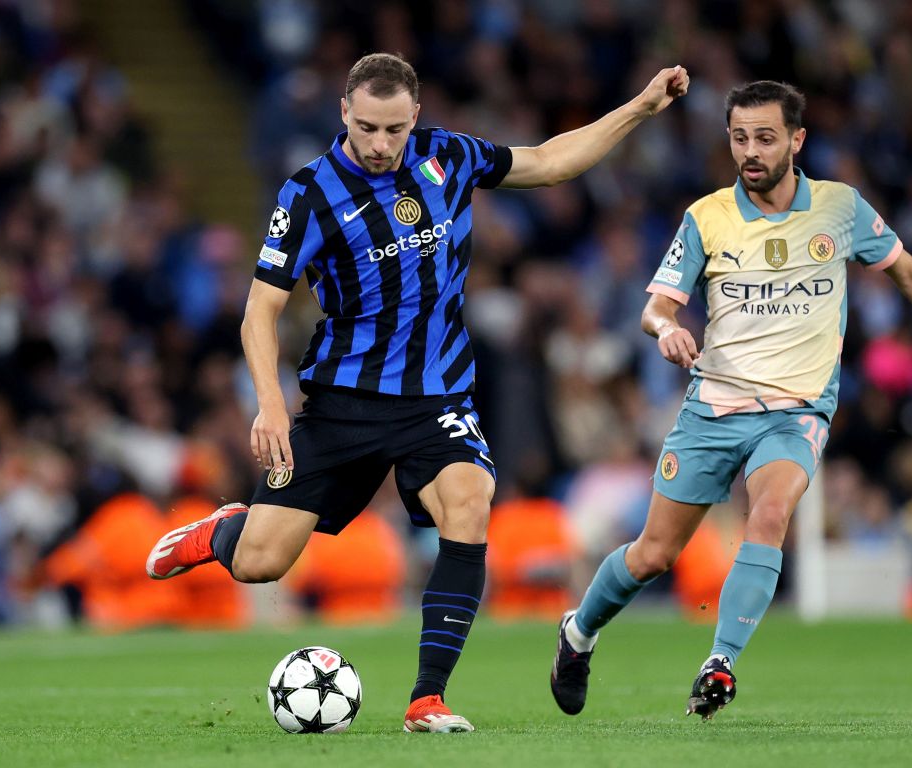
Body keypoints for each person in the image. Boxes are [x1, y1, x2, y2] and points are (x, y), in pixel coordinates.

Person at [145, 52, 689, 733]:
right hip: (343, 402)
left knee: (470, 500)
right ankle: (225, 530)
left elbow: (550, 161)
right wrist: (272, 403)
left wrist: (638, 106)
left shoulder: (448, 158)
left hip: (438, 400)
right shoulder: (309, 194)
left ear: (416, 118)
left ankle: (426, 698)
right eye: (367, 127)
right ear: (344, 113)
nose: (380, 145)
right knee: (261, 563)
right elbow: (260, 310)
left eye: (394, 129)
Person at [550, 80, 912, 721]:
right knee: (653, 555)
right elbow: (657, 307)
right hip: (713, 408)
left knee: (771, 513)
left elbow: (908, 272)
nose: (750, 151)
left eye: (764, 137)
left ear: (796, 139)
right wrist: (668, 329)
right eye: (739, 138)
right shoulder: (707, 217)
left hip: (795, 410)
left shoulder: (840, 209)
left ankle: (720, 661)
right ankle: (578, 634)